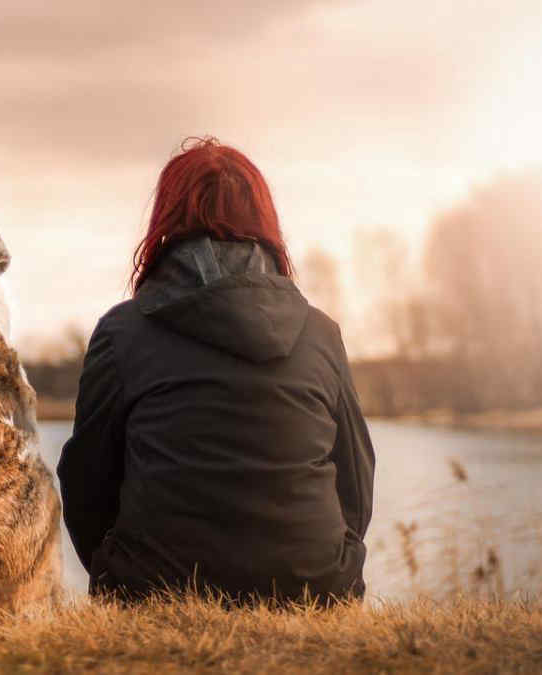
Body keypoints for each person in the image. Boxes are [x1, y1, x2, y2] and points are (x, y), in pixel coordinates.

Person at [57, 137, 375, 606]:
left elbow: (86, 483)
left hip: (154, 591)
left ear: (166, 221)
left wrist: (117, 569)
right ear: (265, 224)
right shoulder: (320, 333)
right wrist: (331, 565)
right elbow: (356, 479)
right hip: (315, 590)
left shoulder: (122, 333)